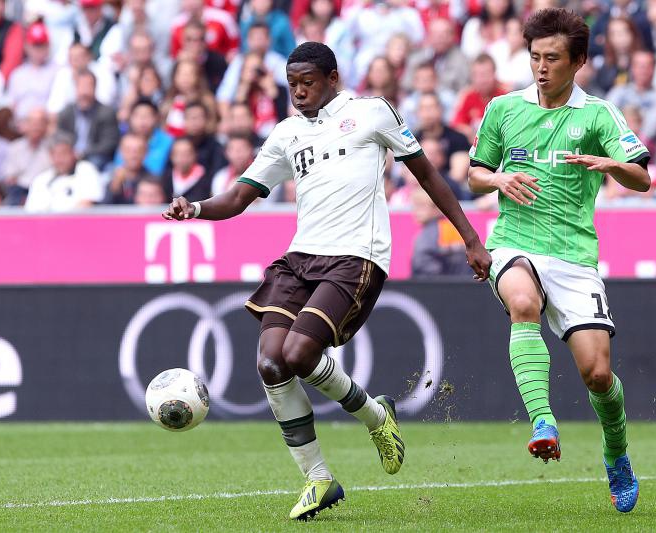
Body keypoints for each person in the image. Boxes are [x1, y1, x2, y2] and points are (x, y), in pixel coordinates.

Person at [163, 42, 490, 521]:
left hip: (357, 257)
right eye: (292, 84)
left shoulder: (372, 113)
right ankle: (318, 479)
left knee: (299, 355)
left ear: (332, 78)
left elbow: (428, 175)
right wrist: (194, 207)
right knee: (272, 365)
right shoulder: (286, 134)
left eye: (307, 83)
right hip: (301, 258)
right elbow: (237, 198)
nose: (298, 92)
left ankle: (377, 418)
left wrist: (469, 237)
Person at [467, 8, 649, 513]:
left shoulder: (598, 115)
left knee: (597, 376)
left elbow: (643, 177)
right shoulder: (504, 109)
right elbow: (474, 173)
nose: (541, 67)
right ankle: (542, 421)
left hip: (573, 255)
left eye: (552, 58)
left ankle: (616, 452)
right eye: (534, 57)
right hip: (514, 240)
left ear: (579, 62)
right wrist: (498, 179)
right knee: (521, 301)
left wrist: (615, 165)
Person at [25, 131, 104, 212]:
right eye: (55, 154)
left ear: (73, 153)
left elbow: (87, 204)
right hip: (44, 223)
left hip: (76, 222)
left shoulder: (86, 170)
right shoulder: (41, 179)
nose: (60, 159)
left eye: (64, 153)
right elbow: (31, 211)